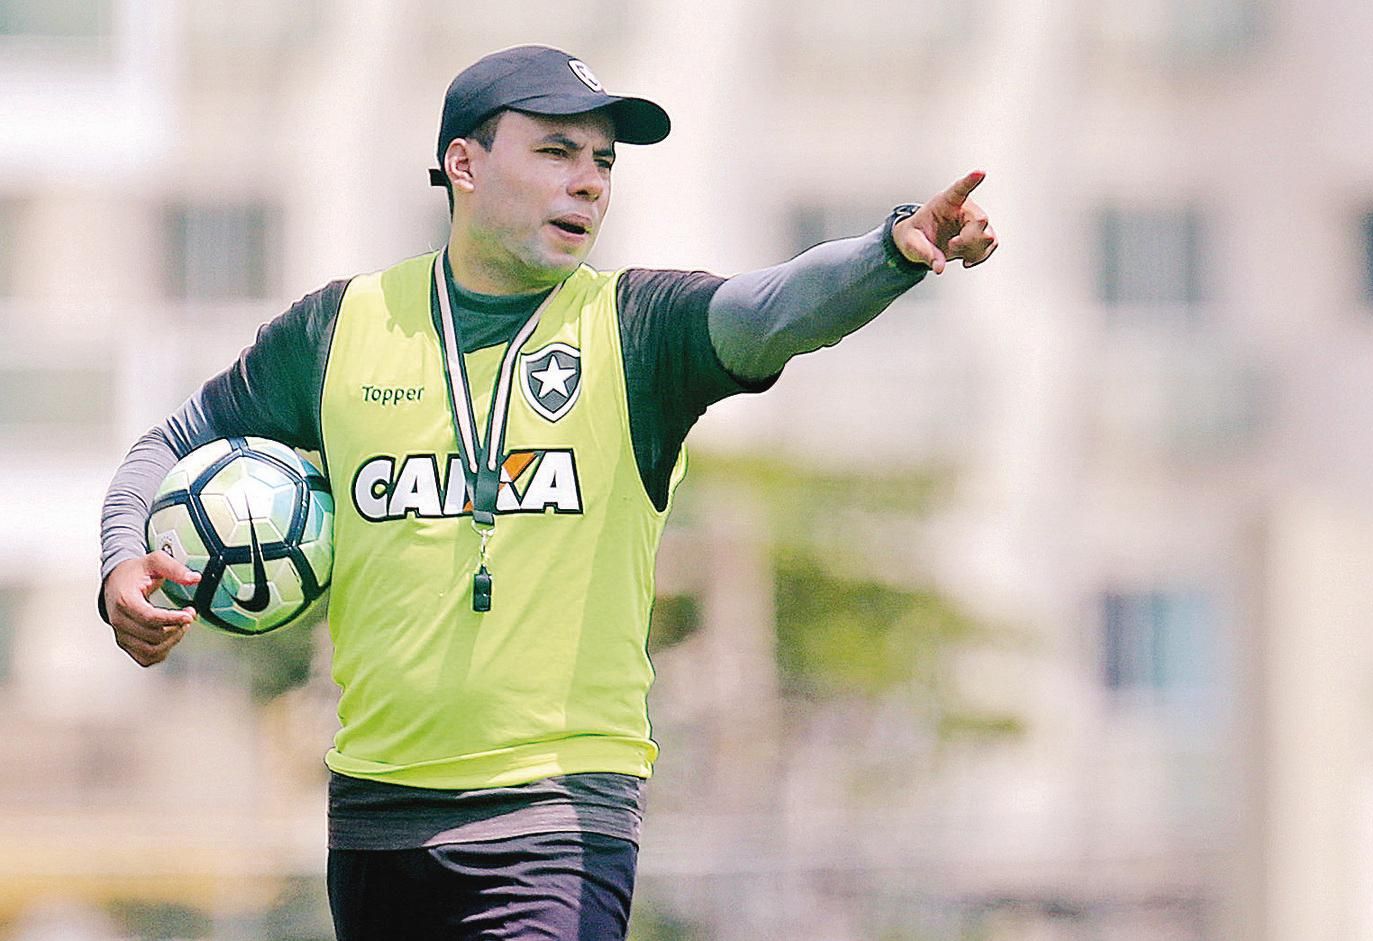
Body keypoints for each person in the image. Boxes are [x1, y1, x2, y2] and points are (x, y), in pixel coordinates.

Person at [98, 44, 997, 941]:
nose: (590, 183)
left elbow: (771, 310)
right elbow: (170, 444)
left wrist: (891, 253)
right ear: (465, 164)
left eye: (603, 162)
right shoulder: (340, 329)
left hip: (555, 816)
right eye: (557, 152)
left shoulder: (637, 329)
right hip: (375, 818)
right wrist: (119, 564)